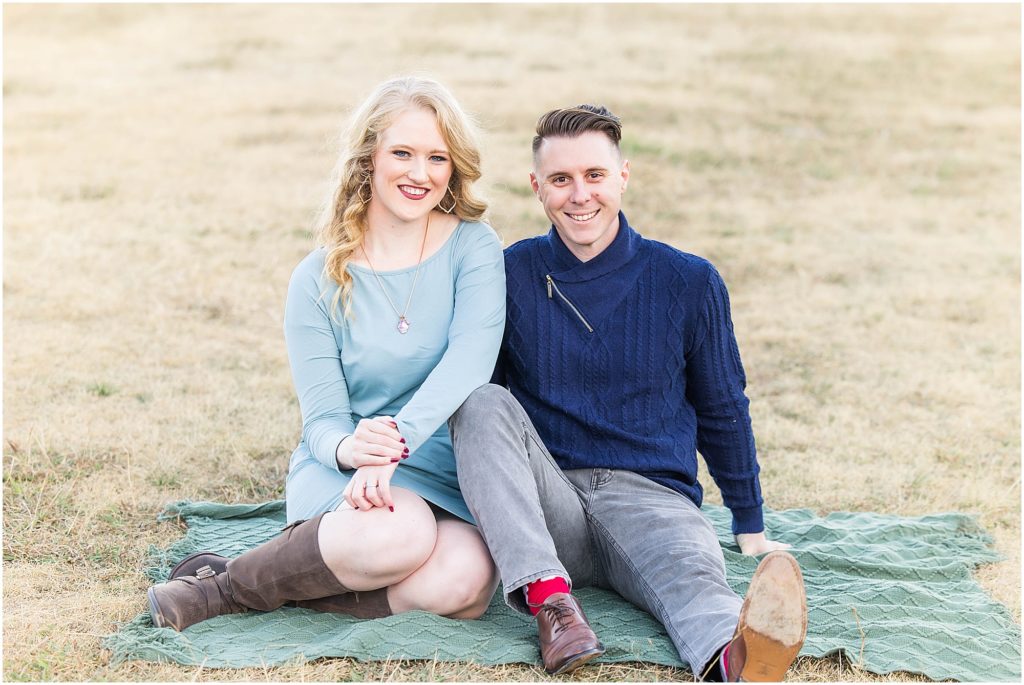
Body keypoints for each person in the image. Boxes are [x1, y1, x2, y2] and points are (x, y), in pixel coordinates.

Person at [448, 105, 808, 680]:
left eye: (594, 175)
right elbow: (482, 421)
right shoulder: (507, 274)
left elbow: (723, 407)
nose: (579, 195)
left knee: (692, 575)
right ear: (537, 187)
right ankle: (552, 605)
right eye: (561, 180)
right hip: (547, 505)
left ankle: (738, 661)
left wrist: (750, 523)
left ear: (623, 176)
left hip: (652, 498)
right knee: (478, 402)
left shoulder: (689, 281)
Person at [146, 76, 506, 631]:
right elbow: (323, 423)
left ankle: (275, 586)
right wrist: (351, 450)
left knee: (469, 582)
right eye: (403, 153)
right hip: (351, 472)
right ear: (367, 158)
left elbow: (471, 362)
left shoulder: (474, 247)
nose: (420, 173)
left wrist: (399, 443)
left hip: (443, 467)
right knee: (401, 532)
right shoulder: (316, 278)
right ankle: (223, 591)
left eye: (437, 158)